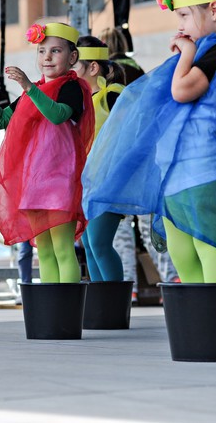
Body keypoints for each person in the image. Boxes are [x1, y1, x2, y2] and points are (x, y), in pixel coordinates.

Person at [83, 0, 216, 283]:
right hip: (180, 166)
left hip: (204, 164)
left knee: (207, 244)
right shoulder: (210, 46)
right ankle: (198, 318)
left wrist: (186, 54)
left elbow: (182, 90)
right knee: (181, 248)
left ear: (214, 10)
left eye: (183, 16)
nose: (180, 26)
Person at [0, 22, 94, 283]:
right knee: (43, 251)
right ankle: (52, 312)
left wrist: (29, 88)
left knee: (63, 249)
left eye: (55, 51)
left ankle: (67, 310)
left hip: (60, 179)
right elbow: (0, 122)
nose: (47, 57)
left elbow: (57, 115)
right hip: (33, 181)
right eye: (42, 51)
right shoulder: (30, 92)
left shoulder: (71, 87)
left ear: (72, 57)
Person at [74, 35, 134, 283]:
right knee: (89, 246)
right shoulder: (81, 100)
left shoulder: (114, 95)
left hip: (108, 181)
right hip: (86, 183)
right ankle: (103, 306)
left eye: (74, 63)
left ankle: (114, 303)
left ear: (93, 67)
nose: (69, 68)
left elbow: (131, 136)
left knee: (99, 243)